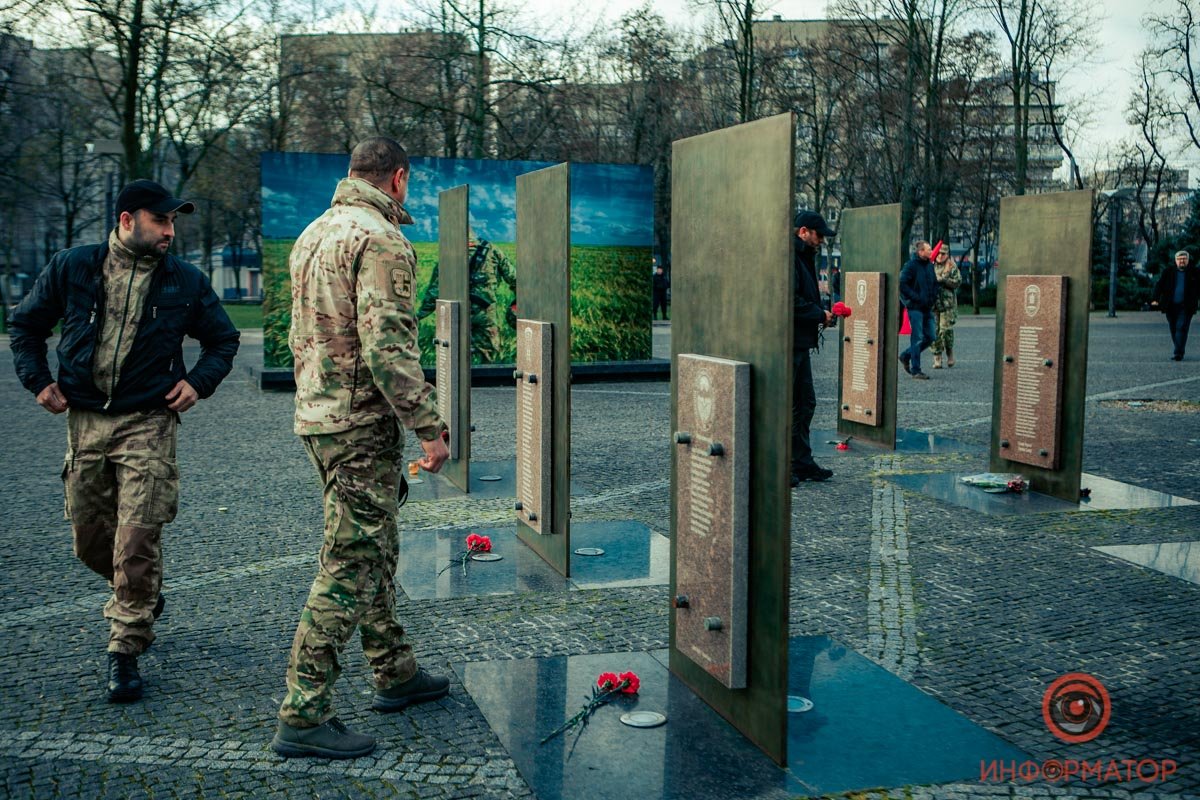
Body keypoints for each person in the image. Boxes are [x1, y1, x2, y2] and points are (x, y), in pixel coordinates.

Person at [8, 179, 240, 703]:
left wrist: (197, 382)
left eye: (174, 222)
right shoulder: (74, 266)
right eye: (161, 221)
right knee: (90, 540)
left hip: (149, 422)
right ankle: (143, 593)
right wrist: (37, 380)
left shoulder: (184, 280)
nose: (170, 232)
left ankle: (125, 648)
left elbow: (222, 340)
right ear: (127, 220)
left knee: (136, 540)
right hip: (85, 420)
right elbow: (25, 327)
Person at [273, 137, 451, 760]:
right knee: (350, 561)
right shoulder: (380, 239)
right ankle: (303, 712)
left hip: (319, 417)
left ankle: (395, 671)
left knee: (375, 546)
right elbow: (387, 346)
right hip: (358, 422)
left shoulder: (314, 232)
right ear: (398, 178)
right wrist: (430, 426)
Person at [417, 229, 517, 363]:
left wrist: (419, 316)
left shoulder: (449, 257)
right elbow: (514, 279)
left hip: (456, 313)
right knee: (489, 354)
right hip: (486, 313)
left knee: (454, 356)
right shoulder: (492, 250)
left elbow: (434, 291)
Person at [791, 210, 836, 486]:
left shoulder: (804, 256)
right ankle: (785, 464)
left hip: (801, 343)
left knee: (805, 402)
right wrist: (819, 315)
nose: (821, 241)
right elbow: (790, 300)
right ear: (804, 231)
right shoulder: (789, 257)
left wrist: (821, 314)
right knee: (791, 405)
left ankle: (802, 462)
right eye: (819, 235)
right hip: (790, 344)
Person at [1151, 250, 1200, 361]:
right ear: (1175, 260)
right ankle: (1180, 349)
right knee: (1173, 328)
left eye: (1184, 259)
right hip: (1170, 305)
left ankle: (1178, 352)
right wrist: (1155, 299)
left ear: (1188, 260)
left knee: (1181, 327)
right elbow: (1159, 285)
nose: (1182, 261)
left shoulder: (1195, 272)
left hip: (1187, 306)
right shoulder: (1168, 272)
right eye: (1179, 259)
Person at [899, 241, 937, 380]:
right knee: (917, 337)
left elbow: (934, 283)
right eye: (928, 249)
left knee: (931, 336)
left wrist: (933, 297)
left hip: (927, 307)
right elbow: (902, 284)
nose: (931, 251)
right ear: (920, 252)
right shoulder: (910, 266)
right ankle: (916, 370)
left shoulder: (929, 266)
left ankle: (906, 355)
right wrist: (916, 298)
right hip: (915, 308)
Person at [930, 246, 962, 369]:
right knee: (934, 332)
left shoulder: (951, 266)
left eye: (943, 254)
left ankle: (949, 353)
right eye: (938, 253)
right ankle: (937, 357)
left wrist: (944, 280)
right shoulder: (930, 266)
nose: (940, 256)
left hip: (947, 305)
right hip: (933, 305)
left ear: (947, 255)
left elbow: (958, 282)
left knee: (946, 330)